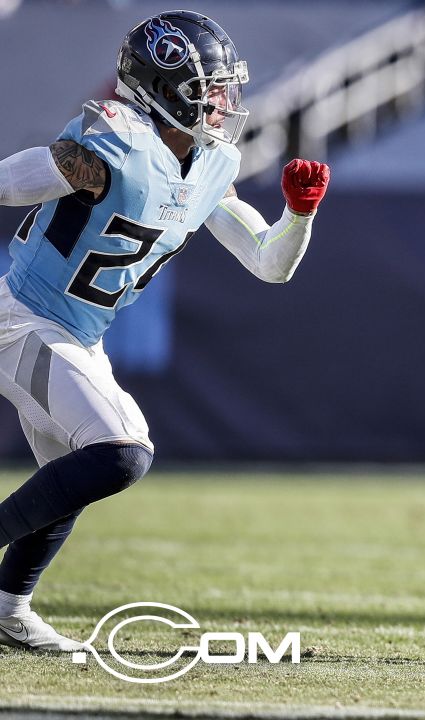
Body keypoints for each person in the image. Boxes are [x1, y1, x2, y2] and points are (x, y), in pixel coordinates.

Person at [0, 10, 330, 651]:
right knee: (120, 450)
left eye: (227, 89)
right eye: (210, 90)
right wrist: (60, 170)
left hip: (77, 332)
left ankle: (7, 611)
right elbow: (19, 180)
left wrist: (299, 215)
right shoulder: (115, 135)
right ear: (165, 87)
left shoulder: (211, 164)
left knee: (71, 472)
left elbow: (270, 264)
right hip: (22, 317)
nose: (224, 104)